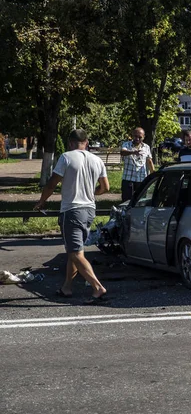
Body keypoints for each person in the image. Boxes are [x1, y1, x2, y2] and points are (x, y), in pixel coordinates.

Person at [34, 129, 110, 304]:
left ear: (70, 142)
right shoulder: (96, 160)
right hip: (90, 210)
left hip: (72, 210)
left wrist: (41, 201)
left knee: (74, 252)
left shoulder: (66, 157)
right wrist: (91, 193)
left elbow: (52, 183)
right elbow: (105, 187)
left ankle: (97, 287)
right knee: (76, 251)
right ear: (87, 142)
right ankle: (67, 287)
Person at [120, 127, 155, 202]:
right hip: (128, 179)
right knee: (126, 202)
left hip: (141, 179)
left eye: (140, 137)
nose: (137, 139)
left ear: (144, 137)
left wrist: (153, 175)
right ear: (132, 135)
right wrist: (133, 152)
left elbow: (149, 161)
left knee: (141, 202)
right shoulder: (126, 144)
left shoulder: (146, 147)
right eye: (135, 136)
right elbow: (122, 152)